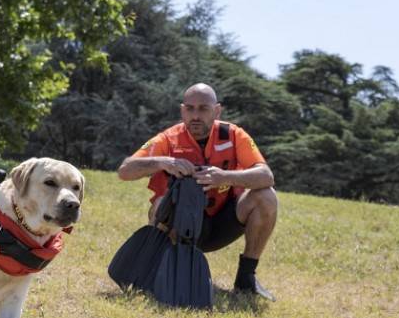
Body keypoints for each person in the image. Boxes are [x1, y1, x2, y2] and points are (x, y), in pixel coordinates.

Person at [117, 83, 278, 298]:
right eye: (190, 109)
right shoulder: (168, 139)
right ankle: (166, 270)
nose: (195, 116)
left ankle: (246, 278)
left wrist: (224, 177)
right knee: (158, 206)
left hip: (223, 222)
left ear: (217, 110)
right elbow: (125, 171)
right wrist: (163, 162)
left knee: (266, 196)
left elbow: (266, 176)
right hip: (180, 225)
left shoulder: (233, 135)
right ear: (182, 110)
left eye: (203, 108)